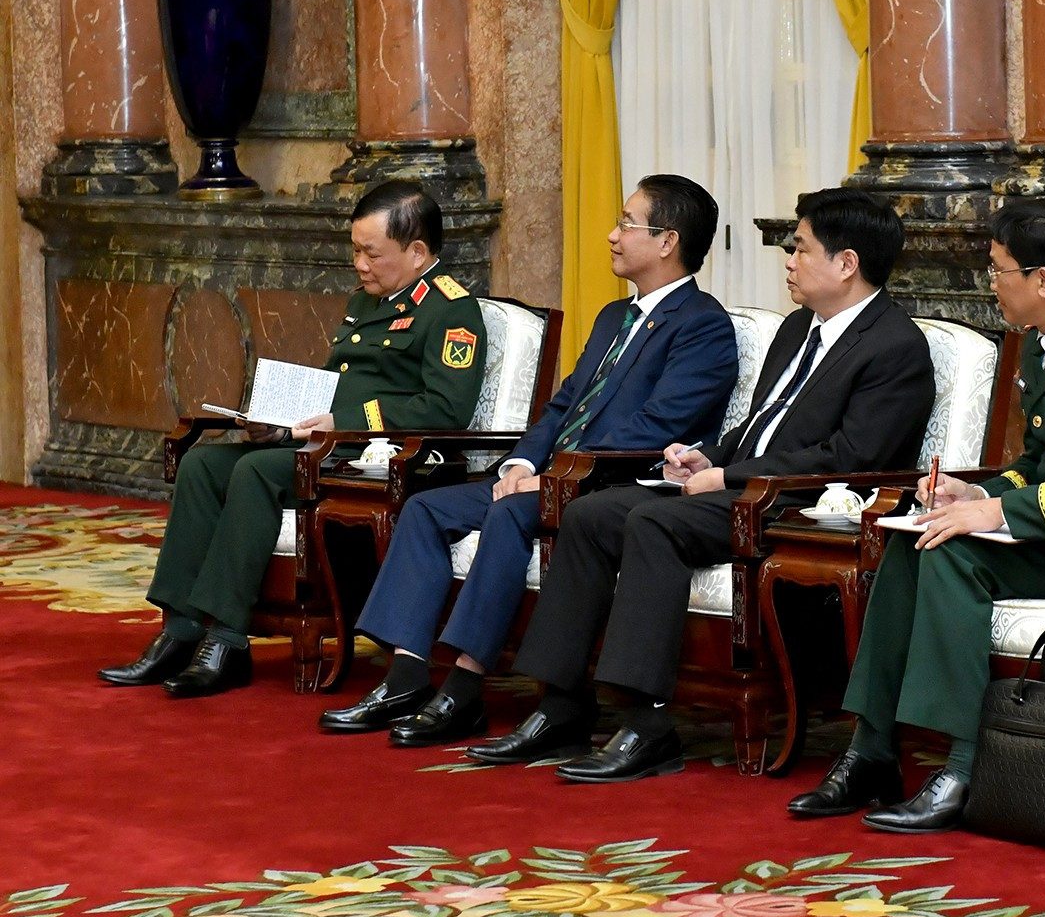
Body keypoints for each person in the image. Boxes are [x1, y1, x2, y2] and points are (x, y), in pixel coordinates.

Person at [463, 188, 936, 779]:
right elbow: (761, 425)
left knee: (653, 521)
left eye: (801, 249)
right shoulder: (797, 329)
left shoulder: (896, 346)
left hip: (799, 504)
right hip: (741, 485)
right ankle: (562, 705)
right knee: (592, 512)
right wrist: (701, 456)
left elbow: (852, 455)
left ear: (846, 264)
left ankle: (647, 723)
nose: (788, 260)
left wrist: (727, 475)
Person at [787, 199, 1045, 833]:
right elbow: (1039, 460)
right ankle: (870, 751)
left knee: (953, 553)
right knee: (916, 538)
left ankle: (964, 766)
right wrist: (971, 497)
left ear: (1043, 280)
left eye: (999, 270)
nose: (992, 283)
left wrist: (997, 514)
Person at [317, 175, 739, 745]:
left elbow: (663, 424)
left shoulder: (702, 325)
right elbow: (564, 403)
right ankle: (406, 675)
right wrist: (522, 461)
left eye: (626, 224)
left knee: (511, 514)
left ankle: (464, 689)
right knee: (425, 509)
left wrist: (557, 470)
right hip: (552, 474)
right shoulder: (616, 318)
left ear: (667, 241)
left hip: (611, 485)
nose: (612, 235)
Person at [100, 181, 489, 698]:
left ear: (417, 252)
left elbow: (445, 409)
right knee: (202, 466)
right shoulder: (366, 301)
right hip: (328, 442)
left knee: (255, 471)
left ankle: (227, 640)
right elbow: (337, 383)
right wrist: (280, 422)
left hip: (380, 456)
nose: (360, 264)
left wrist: (340, 421)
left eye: (372, 253)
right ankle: (180, 630)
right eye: (355, 250)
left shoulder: (451, 310)